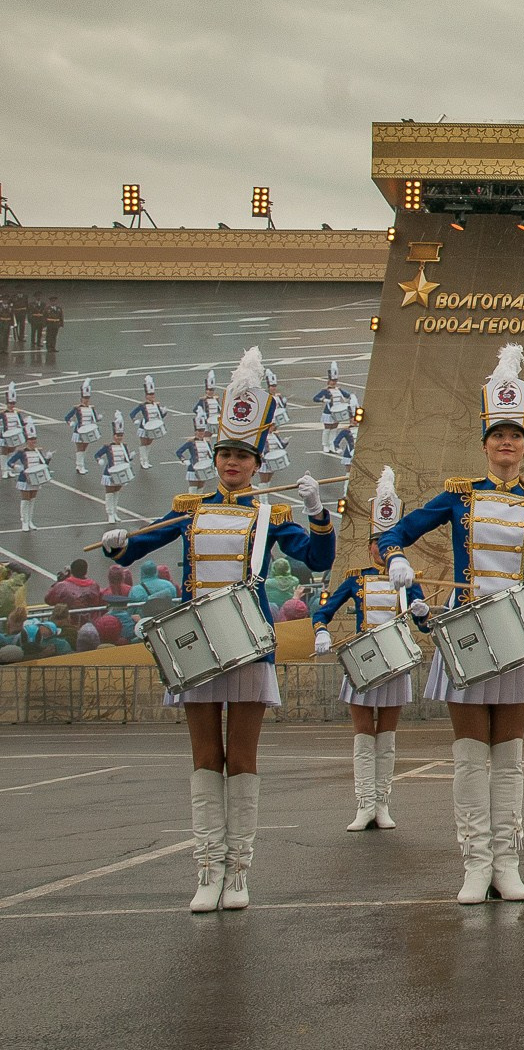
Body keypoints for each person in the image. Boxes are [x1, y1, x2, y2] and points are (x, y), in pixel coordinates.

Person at [101, 347, 334, 911]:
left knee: (244, 757)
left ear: (256, 462)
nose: (233, 463)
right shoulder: (191, 507)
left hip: (250, 643)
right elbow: (144, 543)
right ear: (214, 455)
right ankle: (207, 868)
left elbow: (318, 559)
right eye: (226, 452)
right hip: (198, 643)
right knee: (206, 756)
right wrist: (120, 544)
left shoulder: (269, 515)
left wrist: (318, 512)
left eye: (243, 455)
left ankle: (239, 874)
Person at [378, 344, 524, 904]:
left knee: (509, 754)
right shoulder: (458, 497)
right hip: (471, 634)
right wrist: (397, 558)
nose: (507, 444)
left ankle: (508, 863)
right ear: (485, 445)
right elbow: (394, 533)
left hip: (520, 635)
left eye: (516, 437)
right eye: (498, 436)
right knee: (471, 753)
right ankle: (475, 863)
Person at [312, 467, 427, 832]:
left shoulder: (407, 578)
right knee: (364, 736)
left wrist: (423, 613)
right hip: (363, 663)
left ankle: (382, 804)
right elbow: (323, 611)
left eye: (387, 541)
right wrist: (321, 631)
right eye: (376, 542)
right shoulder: (355, 578)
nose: (380, 549)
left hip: (394, 661)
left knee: (387, 737)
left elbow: (423, 622)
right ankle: (364, 804)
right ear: (368, 546)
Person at [7, 419, 50, 530]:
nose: (33, 441)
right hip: (24, 478)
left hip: (35, 479)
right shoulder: (21, 452)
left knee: (32, 500)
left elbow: (43, 464)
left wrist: (48, 458)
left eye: (34, 439)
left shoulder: (38, 451)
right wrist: (15, 467)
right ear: (27, 440)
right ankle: (24, 521)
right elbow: (10, 462)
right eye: (31, 439)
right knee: (25, 500)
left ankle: (30, 520)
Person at [64, 378, 101, 475]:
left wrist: (99, 417)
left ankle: (81, 464)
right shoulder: (77, 408)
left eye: (88, 399)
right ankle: (79, 466)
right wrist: (70, 423)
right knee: (80, 448)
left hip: (88, 430)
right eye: (85, 399)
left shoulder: (91, 408)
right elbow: (67, 417)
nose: (86, 400)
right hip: (79, 430)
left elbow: (95, 419)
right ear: (81, 399)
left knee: (85, 448)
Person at [130, 375, 168, 469]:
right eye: (150, 395)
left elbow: (160, 416)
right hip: (144, 426)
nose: (152, 397)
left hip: (153, 426)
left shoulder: (156, 405)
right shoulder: (142, 405)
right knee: (143, 443)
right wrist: (135, 420)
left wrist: (164, 412)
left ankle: (146, 460)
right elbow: (132, 414)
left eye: (153, 395)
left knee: (149, 443)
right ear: (146, 396)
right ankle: (143, 461)